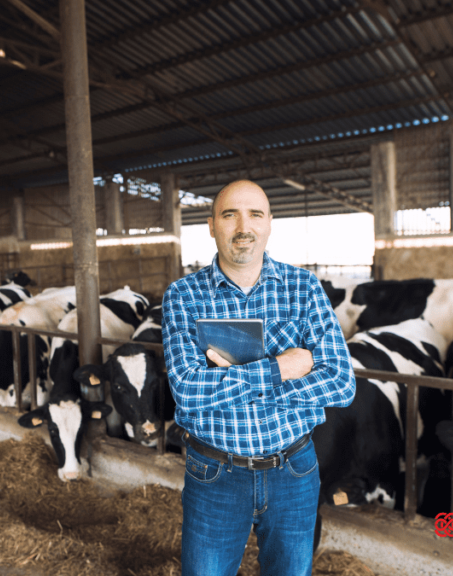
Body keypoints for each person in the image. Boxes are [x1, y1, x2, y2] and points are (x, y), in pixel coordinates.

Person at [161, 179, 355, 576]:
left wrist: (230, 383)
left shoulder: (304, 289)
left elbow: (340, 383)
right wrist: (280, 368)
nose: (243, 226)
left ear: (269, 224)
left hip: (293, 470)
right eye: (229, 214)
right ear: (211, 226)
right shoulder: (182, 296)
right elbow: (186, 390)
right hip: (215, 473)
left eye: (255, 214)